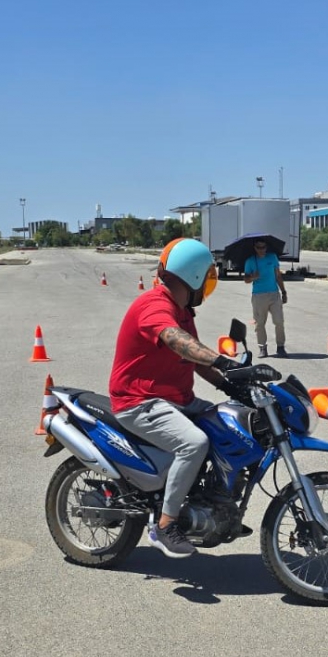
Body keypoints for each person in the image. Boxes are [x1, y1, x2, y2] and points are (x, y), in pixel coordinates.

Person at [109, 239, 241, 559]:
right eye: (208, 277)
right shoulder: (154, 305)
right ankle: (166, 525)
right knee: (193, 443)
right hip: (140, 401)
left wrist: (234, 385)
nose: (209, 285)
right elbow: (177, 342)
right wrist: (221, 360)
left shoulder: (183, 312)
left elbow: (195, 359)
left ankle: (213, 501)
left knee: (229, 423)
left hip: (175, 399)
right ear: (194, 276)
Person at [243, 237, 288, 358]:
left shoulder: (272, 257)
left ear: (266, 247)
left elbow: (278, 276)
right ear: (255, 248)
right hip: (258, 295)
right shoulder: (250, 261)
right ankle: (262, 347)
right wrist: (253, 277)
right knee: (260, 323)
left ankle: (280, 347)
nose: (261, 250)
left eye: (263, 247)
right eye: (258, 247)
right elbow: (246, 279)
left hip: (274, 294)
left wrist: (283, 292)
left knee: (279, 321)